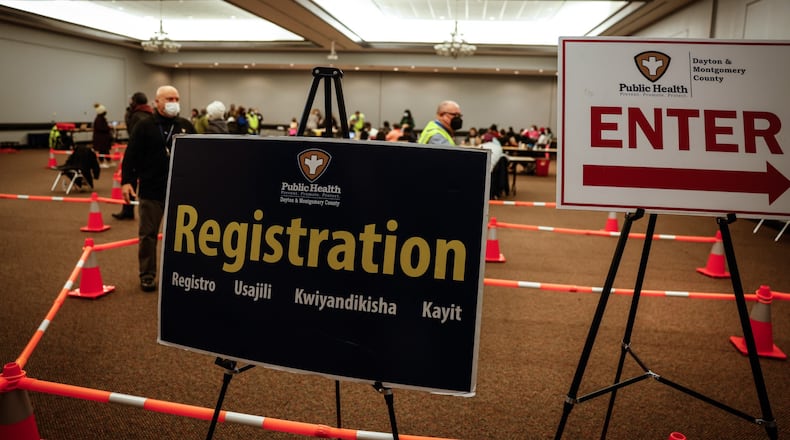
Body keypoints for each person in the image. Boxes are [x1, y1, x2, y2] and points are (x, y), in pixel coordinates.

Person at [121, 85, 196, 292]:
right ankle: (147, 275)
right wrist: (127, 181)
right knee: (148, 235)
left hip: (181, 191)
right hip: (152, 190)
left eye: (176, 98)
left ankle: (180, 275)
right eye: (169, 99)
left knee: (181, 238)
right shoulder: (144, 126)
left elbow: (199, 156)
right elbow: (131, 156)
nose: (174, 102)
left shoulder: (186, 126)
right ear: (157, 102)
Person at [113, 92, 153, 221]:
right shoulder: (149, 114)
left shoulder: (136, 116)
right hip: (147, 153)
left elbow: (132, 132)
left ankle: (128, 210)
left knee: (131, 182)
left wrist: (128, 115)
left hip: (137, 153)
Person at [92, 103, 113, 168]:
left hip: (103, 138)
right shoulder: (99, 119)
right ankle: (101, 162)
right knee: (102, 150)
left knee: (105, 150)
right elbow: (101, 128)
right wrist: (108, 128)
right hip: (101, 138)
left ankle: (108, 161)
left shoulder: (101, 118)